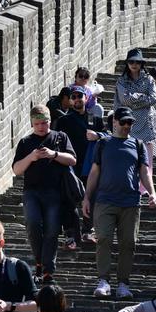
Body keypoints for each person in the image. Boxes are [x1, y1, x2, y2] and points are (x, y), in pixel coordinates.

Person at [83, 107, 156, 298]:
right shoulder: (103, 144)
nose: (126, 126)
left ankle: (123, 283)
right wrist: (86, 197)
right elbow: (94, 172)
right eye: (123, 122)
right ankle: (104, 280)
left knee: (129, 243)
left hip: (130, 201)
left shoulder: (138, 144)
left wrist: (152, 192)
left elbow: (143, 171)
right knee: (104, 239)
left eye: (129, 123)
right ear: (114, 121)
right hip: (105, 200)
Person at [12, 105, 76, 281]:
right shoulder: (25, 142)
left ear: (50, 121)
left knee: (52, 230)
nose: (41, 127)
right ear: (32, 123)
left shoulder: (60, 137)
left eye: (45, 122)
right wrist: (31, 157)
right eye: (37, 123)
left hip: (55, 192)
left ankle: (47, 270)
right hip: (32, 192)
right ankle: (39, 261)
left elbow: (72, 159)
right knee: (32, 224)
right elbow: (16, 170)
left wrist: (53, 154)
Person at [56, 85, 105, 249]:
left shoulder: (95, 119)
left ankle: (87, 230)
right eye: (74, 97)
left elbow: (109, 136)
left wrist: (98, 135)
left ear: (86, 98)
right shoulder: (63, 121)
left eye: (80, 96)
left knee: (90, 197)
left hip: (90, 165)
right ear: (70, 101)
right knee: (69, 201)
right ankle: (71, 236)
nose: (77, 99)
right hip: (71, 166)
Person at [114, 48, 156, 167]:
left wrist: (133, 99)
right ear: (127, 63)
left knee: (147, 165)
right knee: (129, 161)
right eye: (131, 62)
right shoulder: (121, 81)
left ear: (142, 64)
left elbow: (154, 99)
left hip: (147, 124)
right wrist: (142, 97)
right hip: (128, 124)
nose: (134, 65)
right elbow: (124, 100)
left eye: (137, 62)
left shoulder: (149, 79)